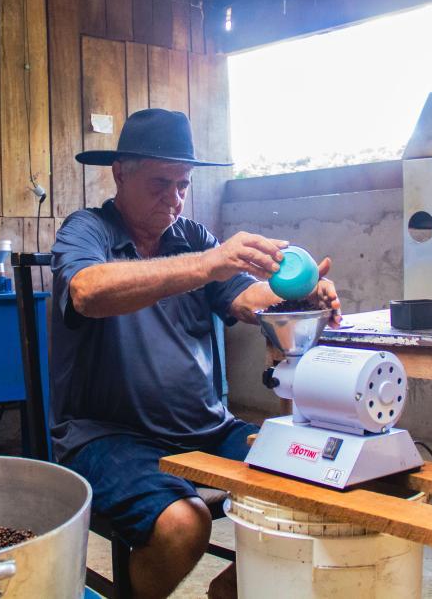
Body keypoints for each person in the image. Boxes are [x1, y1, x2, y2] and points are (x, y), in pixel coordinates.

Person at [50, 108, 341, 599]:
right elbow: (87, 291)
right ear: (120, 173)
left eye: (182, 185)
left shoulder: (192, 238)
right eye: (160, 184)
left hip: (206, 428)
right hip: (107, 436)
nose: (174, 199)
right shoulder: (87, 230)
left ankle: (228, 592)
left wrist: (298, 295)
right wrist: (207, 264)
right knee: (184, 524)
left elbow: (247, 299)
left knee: (318, 479)